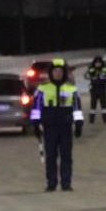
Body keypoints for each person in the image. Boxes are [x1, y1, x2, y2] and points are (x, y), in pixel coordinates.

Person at [30, 58, 83, 192]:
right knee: (51, 156)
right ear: (51, 73)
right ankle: (51, 183)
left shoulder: (71, 89)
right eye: (55, 71)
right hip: (50, 128)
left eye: (60, 71)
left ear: (64, 73)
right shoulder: (42, 89)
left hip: (65, 127)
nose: (58, 73)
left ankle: (66, 184)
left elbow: (77, 108)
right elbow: (36, 107)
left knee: (66, 156)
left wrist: (78, 123)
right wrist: (35, 124)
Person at [85, 55, 106, 124]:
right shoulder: (91, 69)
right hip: (93, 90)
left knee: (104, 106)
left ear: (102, 63)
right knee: (92, 106)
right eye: (96, 62)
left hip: (102, 90)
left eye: (99, 62)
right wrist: (90, 71)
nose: (98, 64)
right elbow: (85, 76)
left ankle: (105, 120)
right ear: (94, 63)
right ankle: (91, 120)